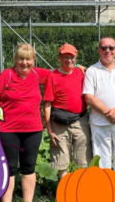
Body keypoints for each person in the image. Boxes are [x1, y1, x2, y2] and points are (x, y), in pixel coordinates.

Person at [0, 43, 50, 202]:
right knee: (10, 168)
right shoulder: (6, 75)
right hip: (8, 130)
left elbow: (58, 74)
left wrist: (78, 67)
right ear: (15, 59)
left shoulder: (37, 74)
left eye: (28, 59)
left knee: (29, 168)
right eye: (21, 59)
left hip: (33, 130)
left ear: (33, 60)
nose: (25, 63)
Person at [83, 37, 115, 184]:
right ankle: (103, 192)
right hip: (100, 123)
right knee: (101, 159)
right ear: (99, 50)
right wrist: (109, 113)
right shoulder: (92, 71)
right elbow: (89, 97)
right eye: (104, 48)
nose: (108, 51)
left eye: (111, 48)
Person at [43, 43, 92, 180]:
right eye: (66, 57)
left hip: (80, 121)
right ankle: (64, 193)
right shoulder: (53, 76)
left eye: (72, 57)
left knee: (83, 160)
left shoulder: (81, 73)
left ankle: (80, 193)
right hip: (60, 124)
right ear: (59, 57)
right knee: (61, 161)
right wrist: (50, 129)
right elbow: (47, 104)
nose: (69, 60)